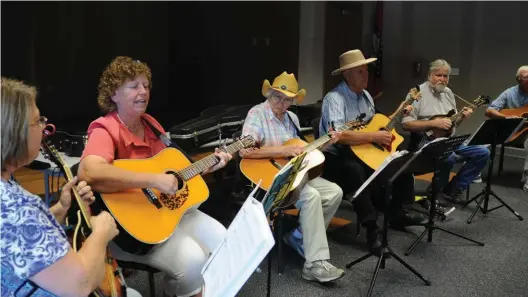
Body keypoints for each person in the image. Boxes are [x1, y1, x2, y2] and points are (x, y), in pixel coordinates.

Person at [77, 57, 233, 297]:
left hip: (167, 213)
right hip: (130, 230)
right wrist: (152, 180)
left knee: (222, 240)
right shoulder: (104, 128)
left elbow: (173, 171)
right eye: (133, 86)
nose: (143, 92)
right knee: (193, 262)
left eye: (146, 86)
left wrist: (207, 167)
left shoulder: (151, 124)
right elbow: (89, 171)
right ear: (114, 94)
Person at [1, 77, 144, 297]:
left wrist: (60, 208)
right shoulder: (15, 206)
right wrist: (101, 232)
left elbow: (25, 241)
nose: (45, 128)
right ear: (14, 132)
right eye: (38, 121)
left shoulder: (9, 189)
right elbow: (79, 284)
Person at [239, 72, 345, 282]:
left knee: (335, 192)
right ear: (269, 94)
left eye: (287, 99)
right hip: (272, 178)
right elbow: (245, 152)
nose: (282, 103)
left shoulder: (292, 118)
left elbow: (303, 150)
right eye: (277, 96)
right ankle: (314, 265)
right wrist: (283, 151)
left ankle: (299, 238)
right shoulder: (257, 114)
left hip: (296, 175)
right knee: (312, 196)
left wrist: (329, 141)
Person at [319, 49, 425, 253]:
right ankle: (371, 229)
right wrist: (374, 137)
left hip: (362, 149)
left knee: (399, 158)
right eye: (360, 71)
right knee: (355, 171)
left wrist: (400, 111)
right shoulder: (334, 99)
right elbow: (338, 136)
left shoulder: (366, 96)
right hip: (335, 155)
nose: (366, 75)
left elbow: (376, 125)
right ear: (347, 74)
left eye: (366, 70)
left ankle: (397, 212)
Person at [402, 59, 490, 203]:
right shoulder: (417, 93)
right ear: (430, 75)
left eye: (445, 76)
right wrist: (433, 123)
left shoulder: (448, 93)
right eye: (438, 75)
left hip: (448, 140)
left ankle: (452, 189)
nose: (442, 79)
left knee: (483, 153)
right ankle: (435, 191)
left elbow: (452, 125)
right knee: (448, 158)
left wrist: (462, 118)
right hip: (426, 141)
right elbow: (406, 124)